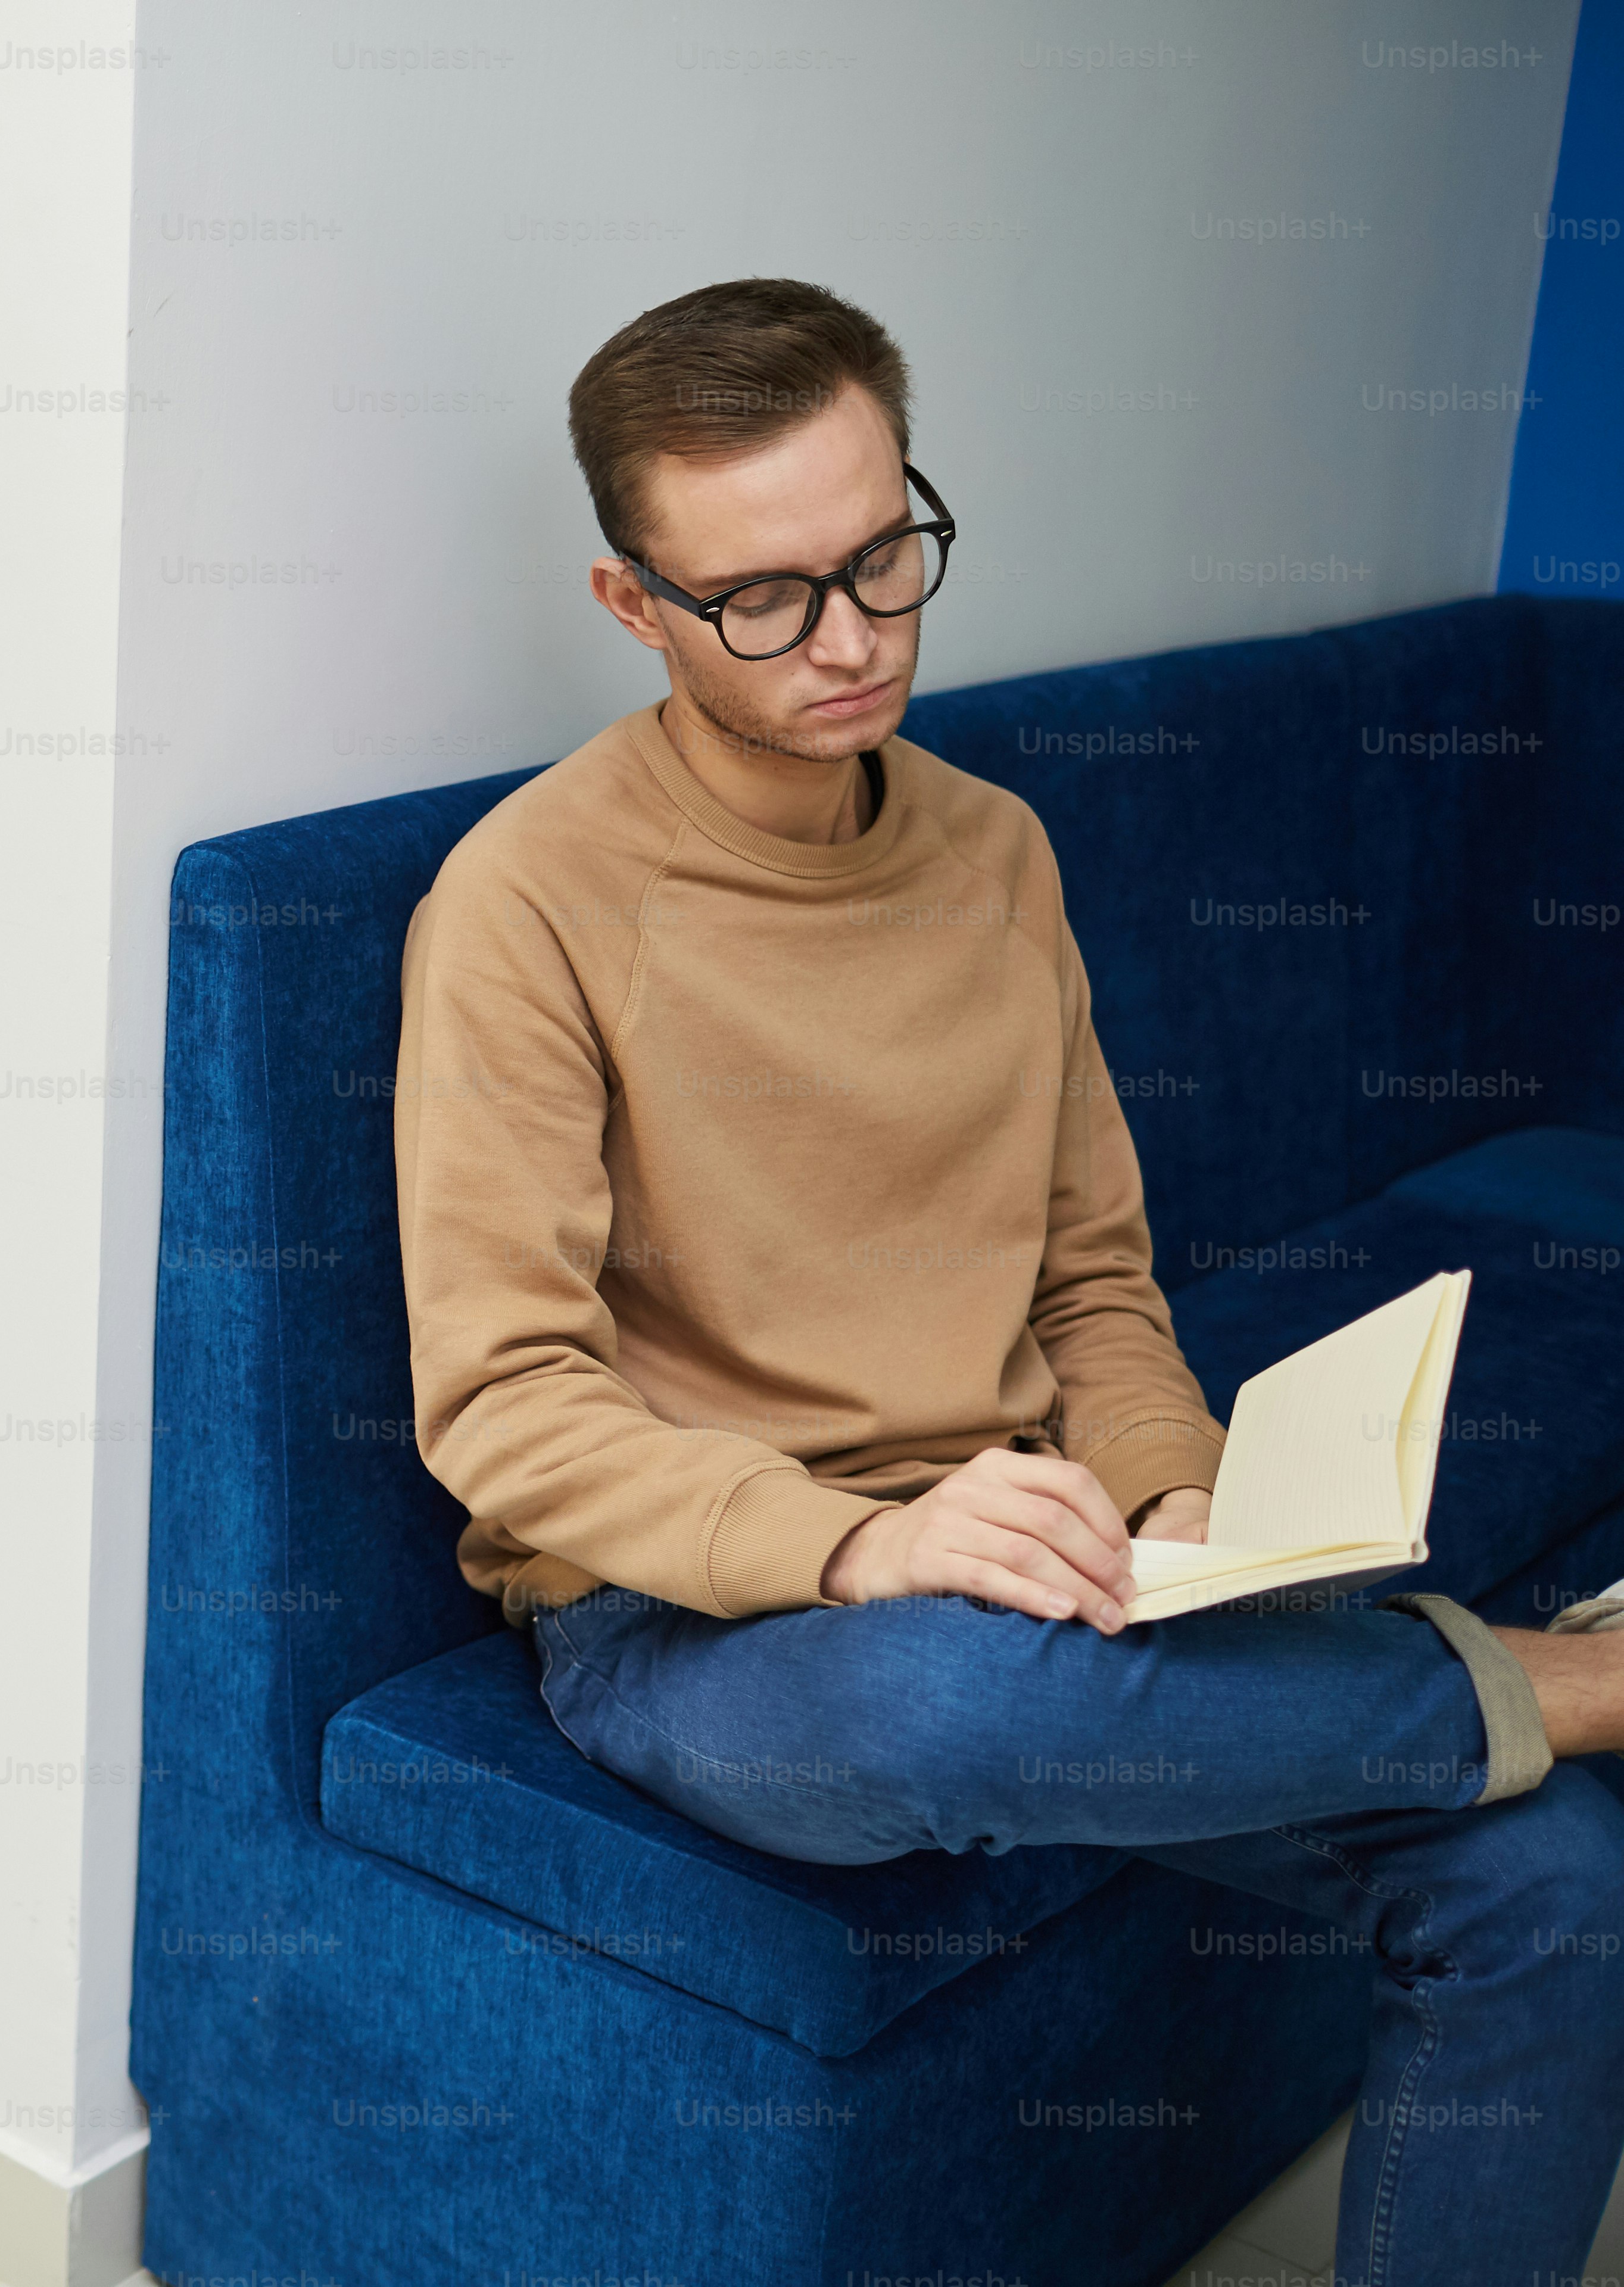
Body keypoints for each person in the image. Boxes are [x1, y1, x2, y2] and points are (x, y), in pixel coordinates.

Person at [397, 276, 1624, 2277]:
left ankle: (1516, 1715)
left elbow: (1094, 1292)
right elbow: (504, 1411)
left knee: (1553, 1874)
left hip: (1031, 1549)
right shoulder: (527, 904)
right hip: (702, 1617)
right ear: (633, 605)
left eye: (886, 554)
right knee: (953, 1693)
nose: (857, 637)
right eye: (765, 598)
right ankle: (1564, 1673)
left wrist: (1177, 1494)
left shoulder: (995, 852)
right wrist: (862, 1548)